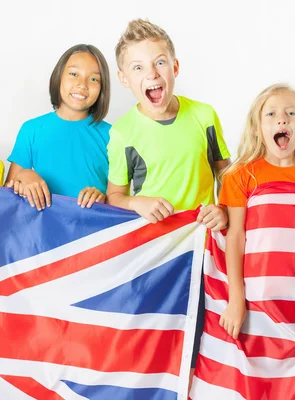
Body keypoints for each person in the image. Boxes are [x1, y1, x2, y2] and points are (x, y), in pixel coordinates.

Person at [191, 84, 295, 399]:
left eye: (290, 114)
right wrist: (236, 299)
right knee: (252, 383)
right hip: (255, 305)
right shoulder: (242, 176)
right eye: (271, 115)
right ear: (259, 128)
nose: (281, 121)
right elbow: (235, 238)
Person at [106, 18, 231, 387]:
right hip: (153, 255)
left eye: (160, 62)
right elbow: (115, 196)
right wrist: (137, 203)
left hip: (205, 252)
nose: (152, 73)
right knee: (156, 341)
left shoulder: (204, 116)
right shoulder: (122, 133)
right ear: (125, 79)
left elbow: (228, 176)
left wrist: (223, 209)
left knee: (203, 340)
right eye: (139, 67)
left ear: (174, 67)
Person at [6, 44, 111, 210]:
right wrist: (23, 175)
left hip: (95, 232)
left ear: (102, 88)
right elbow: (7, 196)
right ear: (58, 77)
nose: (82, 84)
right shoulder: (31, 130)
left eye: (93, 79)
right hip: (42, 232)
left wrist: (104, 199)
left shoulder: (114, 136)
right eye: (74, 74)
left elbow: (121, 201)